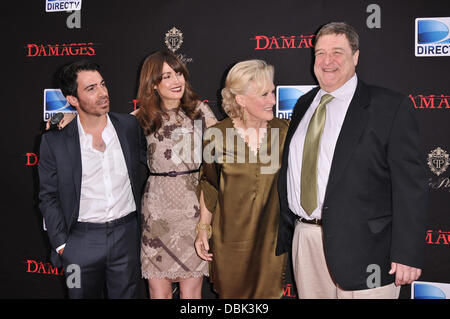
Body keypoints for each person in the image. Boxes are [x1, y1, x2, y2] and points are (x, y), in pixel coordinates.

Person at [276, 22, 428, 299]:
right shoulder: (303, 105)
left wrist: (407, 252)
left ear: (355, 57)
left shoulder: (389, 106)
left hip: (368, 249)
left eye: (337, 52)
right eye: (320, 53)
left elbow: (411, 186)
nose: (327, 61)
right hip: (306, 241)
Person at [38, 60, 148, 298]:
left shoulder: (129, 126)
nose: (103, 93)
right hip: (80, 242)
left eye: (102, 84)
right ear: (72, 100)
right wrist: (62, 245)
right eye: (91, 88)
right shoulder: (55, 142)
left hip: (126, 236)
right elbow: (48, 196)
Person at [195, 59, 288, 298]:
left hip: (271, 244)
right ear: (241, 100)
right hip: (229, 243)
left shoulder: (286, 131)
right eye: (264, 94)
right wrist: (203, 228)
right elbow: (209, 184)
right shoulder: (215, 136)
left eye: (273, 92)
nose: (273, 100)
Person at [135, 51, 217, 299]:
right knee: (158, 291)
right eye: (167, 76)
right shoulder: (142, 117)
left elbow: (217, 164)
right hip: (157, 211)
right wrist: (67, 120)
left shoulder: (200, 112)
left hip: (192, 207)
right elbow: (103, 127)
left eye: (178, 73)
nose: (176, 81)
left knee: (191, 292)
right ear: (154, 85)